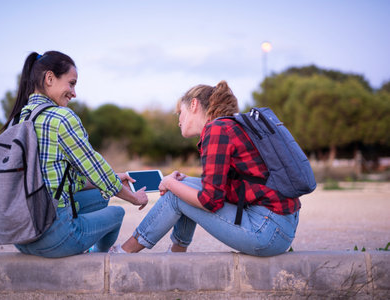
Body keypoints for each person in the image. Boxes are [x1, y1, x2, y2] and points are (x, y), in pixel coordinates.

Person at [113, 80, 300, 256]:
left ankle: (125, 252)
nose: (179, 121)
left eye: (180, 112)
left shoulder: (217, 130)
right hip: (280, 226)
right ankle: (177, 255)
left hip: (266, 231)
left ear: (193, 105)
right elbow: (225, 188)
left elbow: (210, 201)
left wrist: (170, 183)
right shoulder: (231, 125)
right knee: (183, 184)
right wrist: (181, 184)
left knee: (176, 193)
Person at [2, 51, 148, 258]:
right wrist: (133, 197)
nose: (74, 92)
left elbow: (63, 181)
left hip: (22, 238)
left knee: (100, 195)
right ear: (50, 78)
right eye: (71, 83)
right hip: (54, 238)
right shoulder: (61, 118)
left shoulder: (20, 118)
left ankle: (81, 246)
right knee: (117, 213)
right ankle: (97, 260)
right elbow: (95, 168)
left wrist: (115, 178)